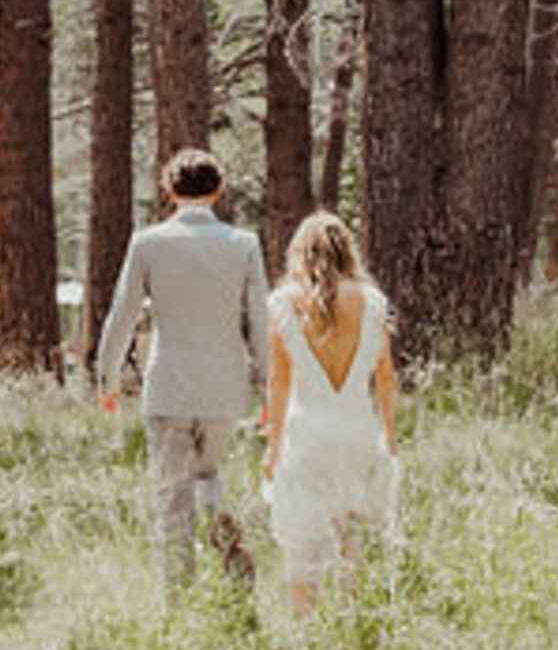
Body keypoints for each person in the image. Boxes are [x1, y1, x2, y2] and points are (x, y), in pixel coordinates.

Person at [95, 148, 270, 588]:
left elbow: (123, 313)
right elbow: (260, 319)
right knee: (209, 477)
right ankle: (230, 566)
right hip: (225, 386)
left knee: (171, 493)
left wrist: (108, 377)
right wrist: (269, 385)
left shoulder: (148, 243)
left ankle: (178, 594)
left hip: (169, 384)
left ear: (169, 190)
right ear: (219, 189)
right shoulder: (244, 244)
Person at [258, 210, 398, 613]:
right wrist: (388, 435)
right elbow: (385, 377)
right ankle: (352, 620)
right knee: (351, 533)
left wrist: (273, 446)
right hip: (356, 429)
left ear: (299, 254)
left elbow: (279, 383)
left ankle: (306, 628)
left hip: (306, 434)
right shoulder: (372, 303)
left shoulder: (283, 303)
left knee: (302, 541)